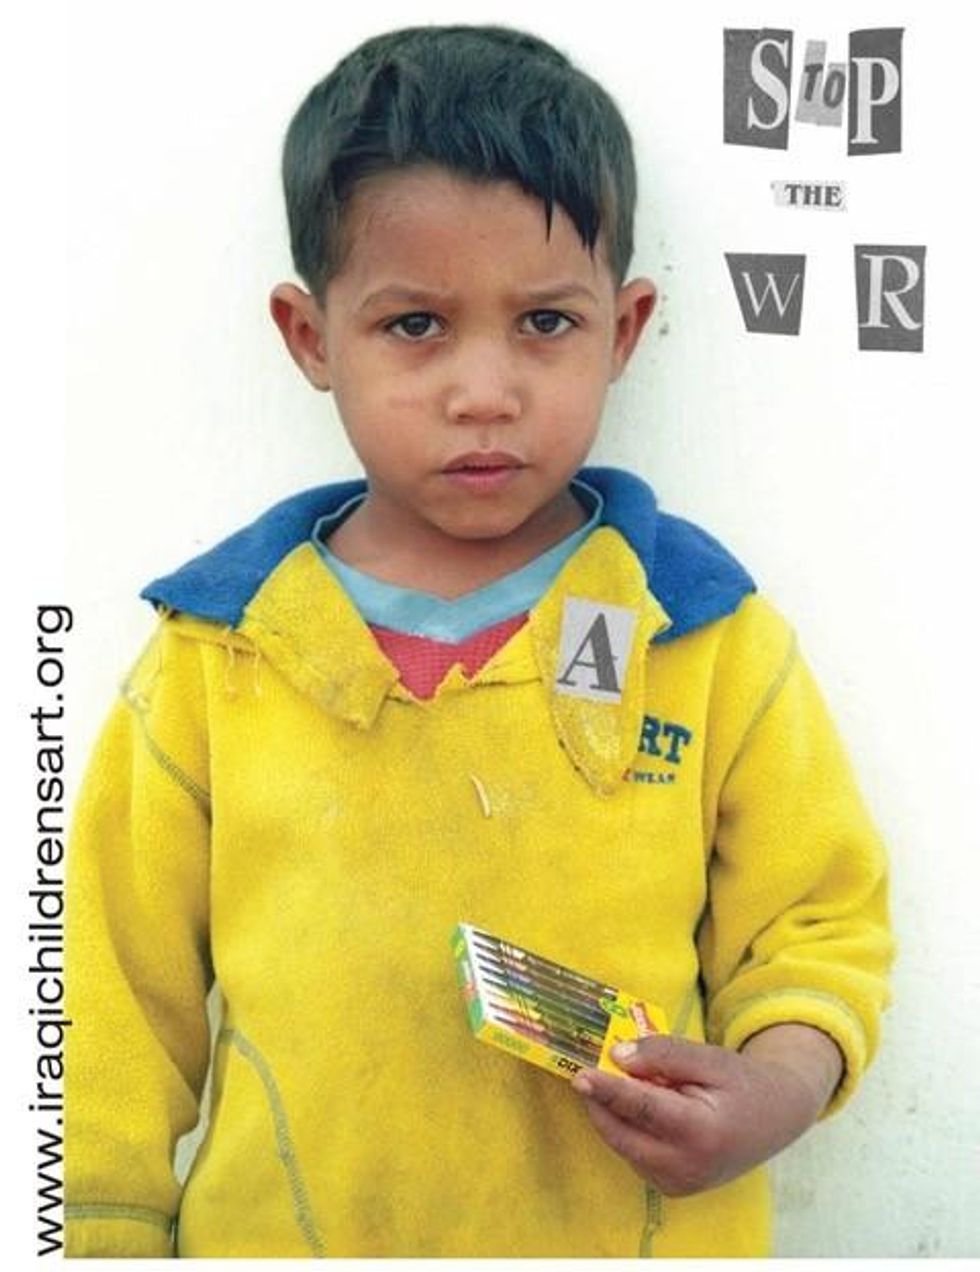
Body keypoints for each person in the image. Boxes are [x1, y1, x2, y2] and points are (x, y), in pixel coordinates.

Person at [64, 23, 893, 1259]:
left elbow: (818, 923)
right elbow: (105, 994)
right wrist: (90, 1225)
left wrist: (776, 1087)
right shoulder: (220, 658)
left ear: (623, 329)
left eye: (545, 325)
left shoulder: (699, 635)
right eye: (414, 327)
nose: (485, 390)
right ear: (309, 338)